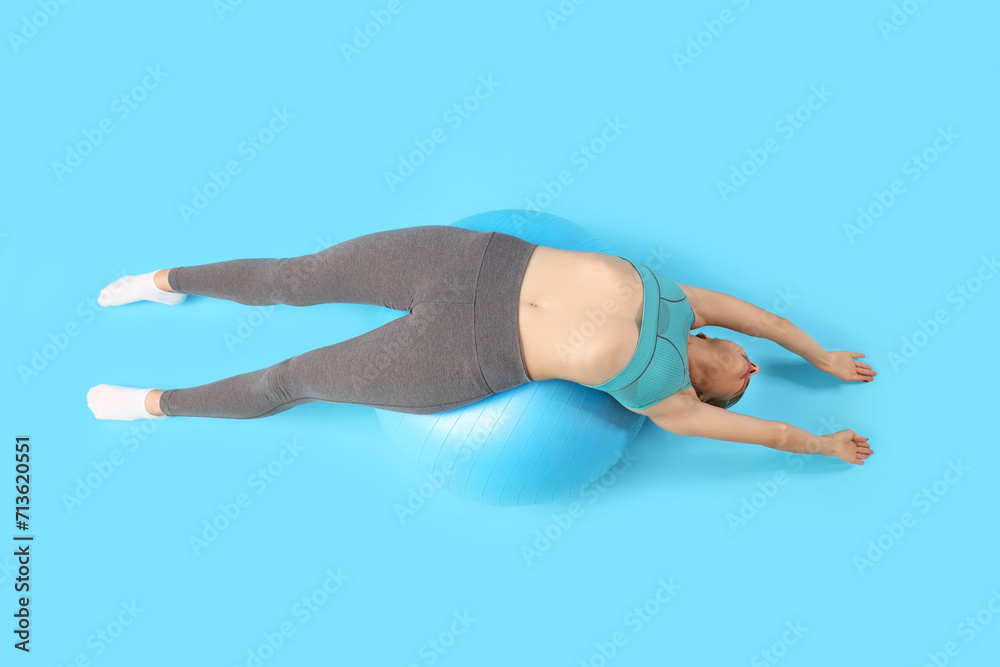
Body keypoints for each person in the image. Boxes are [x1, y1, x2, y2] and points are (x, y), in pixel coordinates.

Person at [87, 221, 875, 465]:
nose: (750, 369)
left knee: (291, 380)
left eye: (743, 383)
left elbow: (768, 432)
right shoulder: (686, 297)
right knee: (297, 276)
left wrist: (824, 443)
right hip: (465, 260)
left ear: (711, 394)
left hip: (464, 356)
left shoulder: (666, 402)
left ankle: (155, 404)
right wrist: (823, 356)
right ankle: (162, 278)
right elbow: (767, 322)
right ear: (713, 338)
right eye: (749, 364)